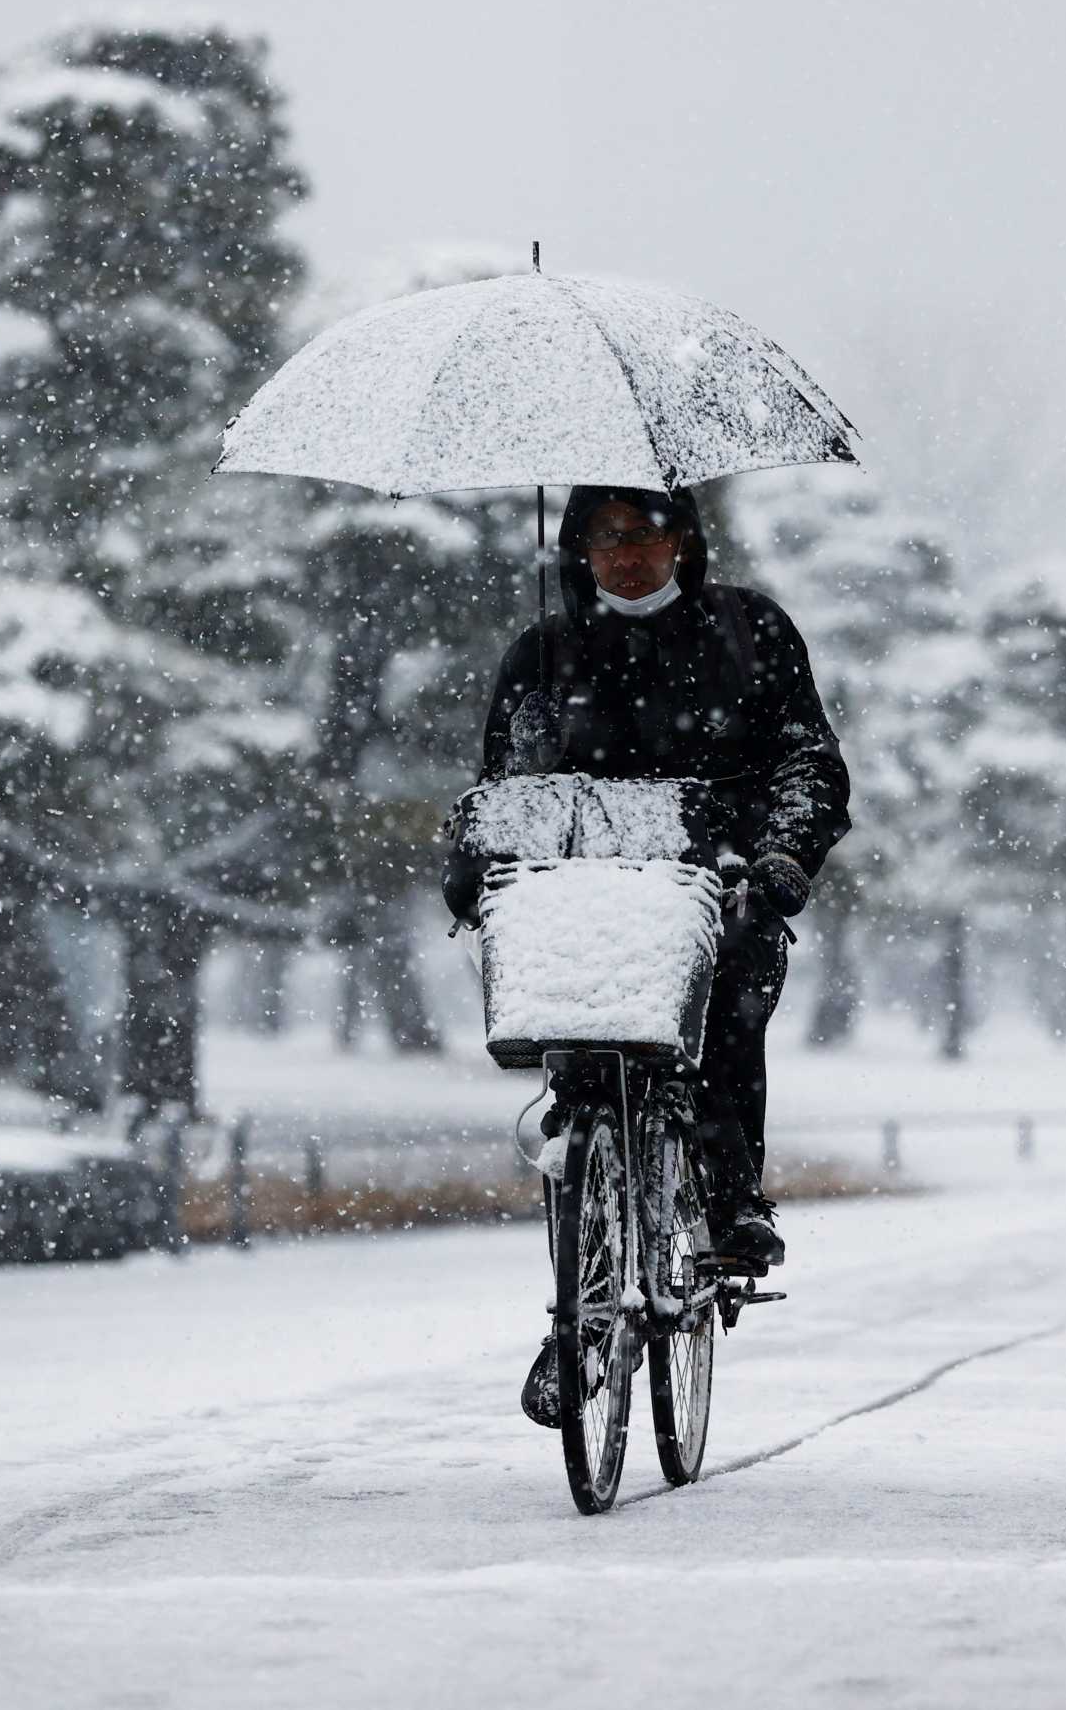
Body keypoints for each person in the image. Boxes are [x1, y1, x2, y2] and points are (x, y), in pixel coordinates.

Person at [443, 483, 851, 1426]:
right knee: (576, 1072)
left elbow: (809, 763)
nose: (628, 555)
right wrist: (477, 865)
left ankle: (731, 1193)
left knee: (727, 1013)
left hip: (718, 884)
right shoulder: (542, 653)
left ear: (686, 542)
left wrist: (783, 858)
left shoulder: (753, 633)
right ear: (578, 547)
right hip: (583, 899)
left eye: (648, 534)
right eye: (606, 536)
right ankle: (579, 1305)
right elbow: (505, 789)